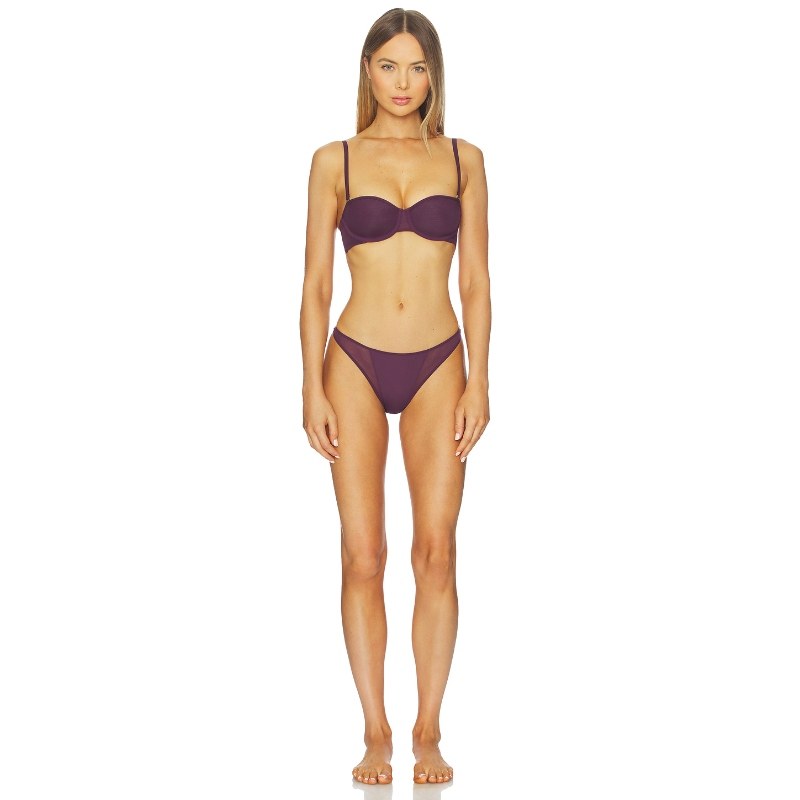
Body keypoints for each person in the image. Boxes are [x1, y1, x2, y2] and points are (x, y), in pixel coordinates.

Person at [299, 7, 490, 786]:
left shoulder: (465, 159)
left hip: (440, 362)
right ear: (367, 71)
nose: (403, 83)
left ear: (434, 74)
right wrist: (309, 384)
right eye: (388, 66)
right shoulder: (335, 160)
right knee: (363, 553)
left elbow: (475, 281)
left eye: (417, 67)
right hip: (353, 360)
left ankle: (428, 729)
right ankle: (375, 730)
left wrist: (482, 378)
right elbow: (315, 285)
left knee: (436, 552)